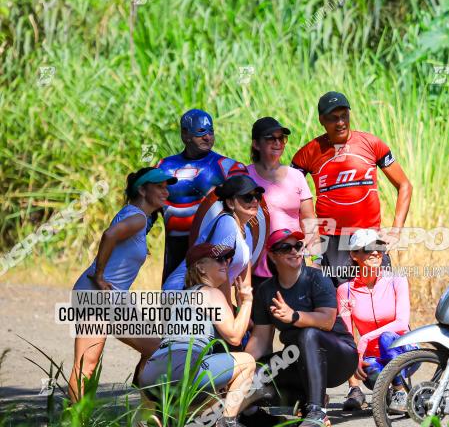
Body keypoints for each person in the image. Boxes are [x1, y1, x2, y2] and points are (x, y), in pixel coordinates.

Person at [68, 167, 175, 402]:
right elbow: (109, 236)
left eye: (167, 186)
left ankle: (141, 397)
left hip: (113, 298)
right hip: (96, 294)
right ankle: (74, 426)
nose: (165, 191)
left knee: (156, 349)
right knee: (87, 364)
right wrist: (99, 274)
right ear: (142, 189)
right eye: (159, 186)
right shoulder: (136, 217)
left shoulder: (137, 216)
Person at [138, 243, 259, 427]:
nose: (226, 263)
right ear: (201, 267)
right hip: (184, 369)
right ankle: (227, 426)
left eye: (227, 259)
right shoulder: (211, 293)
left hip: (152, 375)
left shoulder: (179, 298)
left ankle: (164, 422)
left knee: (214, 375)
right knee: (246, 362)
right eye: (219, 259)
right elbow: (235, 336)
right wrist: (246, 302)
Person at [291, 91, 413, 287]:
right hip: (331, 241)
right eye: (333, 118)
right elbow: (288, 192)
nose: (340, 123)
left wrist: (396, 231)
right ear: (322, 120)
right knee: (340, 306)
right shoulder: (309, 152)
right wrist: (308, 232)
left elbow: (404, 185)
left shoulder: (372, 144)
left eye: (344, 116)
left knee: (379, 297)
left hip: (369, 236)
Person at [245, 229, 358, 427]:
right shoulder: (265, 291)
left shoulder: (317, 278)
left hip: (340, 358)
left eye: (298, 245)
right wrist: (240, 370)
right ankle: (303, 399)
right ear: (272, 255)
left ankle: (317, 412)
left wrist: (294, 316)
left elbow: (327, 321)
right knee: (258, 371)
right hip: (300, 361)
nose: (295, 251)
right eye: (286, 247)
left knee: (309, 333)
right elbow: (260, 340)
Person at [156, 109, 248, 283]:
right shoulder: (163, 166)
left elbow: (250, 202)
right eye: (200, 132)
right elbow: (149, 208)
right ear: (184, 134)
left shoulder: (227, 167)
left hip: (209, 250)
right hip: (174, 250)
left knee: (211, 304)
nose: (207, 137)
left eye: (211, 131)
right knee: (171, 302)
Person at [336, 229, 418, 412]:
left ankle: (399, 392)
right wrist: (354, 359)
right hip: (374, 359)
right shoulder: (345, 291)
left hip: (405, 351)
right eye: (368, 248)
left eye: (379, 247)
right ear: (354, 254)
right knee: (370, 369)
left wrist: (364, 339)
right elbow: (347, 335)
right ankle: (390, 391)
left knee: (387, 337)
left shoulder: (397, 280)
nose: (375, 252)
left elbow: (402, 323)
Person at [162, 175, 264, 308]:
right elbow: (218, 271)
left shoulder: (247, 232)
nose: (255, 201)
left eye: (258, 196)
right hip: (180, 295)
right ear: (230, 203)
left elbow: (244, 280)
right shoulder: (227, 223)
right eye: (248, 197)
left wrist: (243, 310)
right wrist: (229, 311)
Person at [246, 116, 318, 287]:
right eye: (270, 138)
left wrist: (316, 259)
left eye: (281, 138)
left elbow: (309, 219)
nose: (277, 143)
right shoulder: (244, 176)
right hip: (258, 267)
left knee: (298, 313)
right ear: (256, 144)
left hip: (294, 261)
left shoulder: (297, 176)